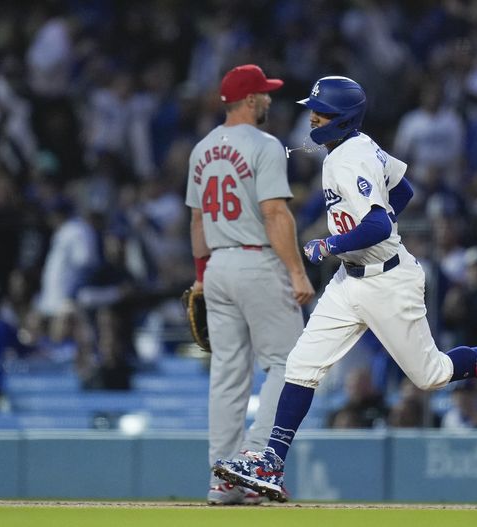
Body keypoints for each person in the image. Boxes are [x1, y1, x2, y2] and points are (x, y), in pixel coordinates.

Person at [212, 75, 477, 502]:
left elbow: (378, 224)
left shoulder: (349, 159)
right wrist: (354, 240)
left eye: (322, 113)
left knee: (431, 375)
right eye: (313, 110)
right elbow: (403, 190)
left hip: (388, 281)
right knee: (301, 365)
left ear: (343, 119)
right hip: (349, 281)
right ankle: (271, 464)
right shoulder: (358, 146)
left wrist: (331, 244)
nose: (313, 118)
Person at [184, 64, 315, 505]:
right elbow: (275, 213)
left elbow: (197, 220)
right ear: (251, 100)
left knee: (227, 374)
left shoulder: (202, 149)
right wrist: (296, 271)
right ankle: (253, 460)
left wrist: (201, 277)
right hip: (257, 259)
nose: (270, 99)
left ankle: (222, 478)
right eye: (265, 93)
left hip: (217, 264)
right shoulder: (264, 144)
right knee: (291, 363)